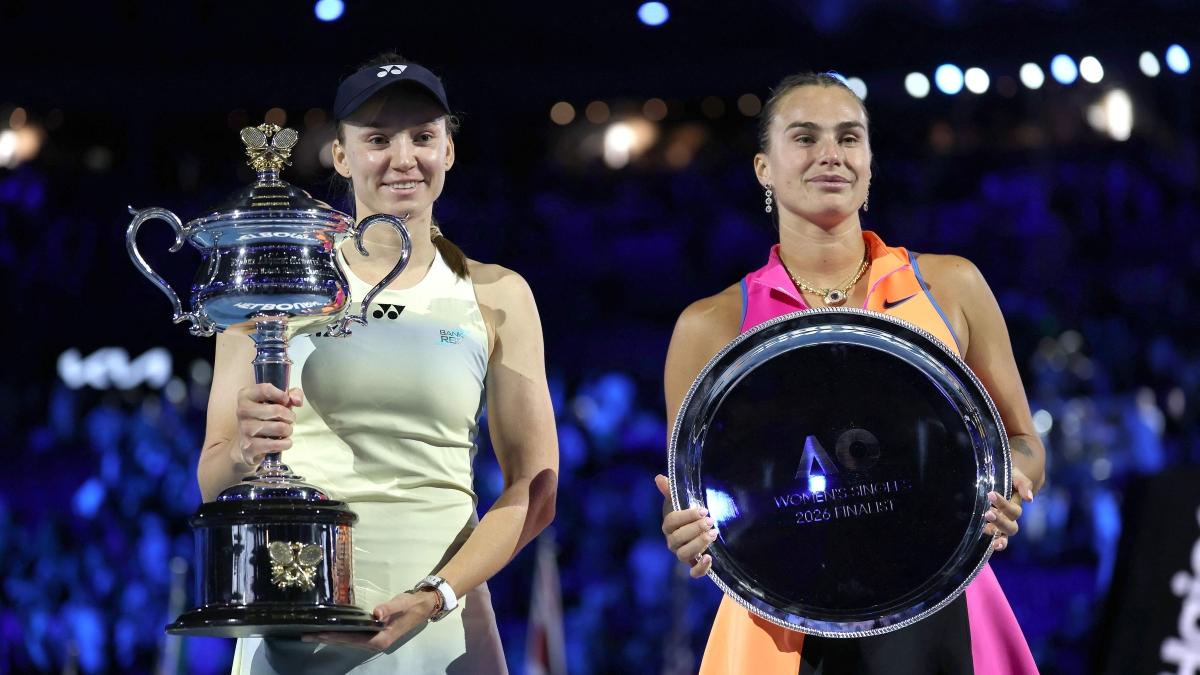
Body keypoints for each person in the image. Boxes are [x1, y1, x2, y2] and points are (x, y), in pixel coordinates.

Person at [654, 72, 1045, 674]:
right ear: (763, 168)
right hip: (783, 625)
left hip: (942, 606)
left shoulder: (951, 285)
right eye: (805, 138)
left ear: (869, 160)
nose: (830, 155)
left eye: (849, 137)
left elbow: (1023, 442)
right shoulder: (708, 327)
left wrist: (1003, 483)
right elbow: (697, 492)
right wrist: (684, 529)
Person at [198, 53, 559, 674]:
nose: (403, 158)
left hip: (442, 626)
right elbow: (212, 476)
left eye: (423, 137)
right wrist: (245, 452)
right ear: (341, 155)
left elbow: (536, 490)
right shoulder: (273, 285)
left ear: (449, 149)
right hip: (296, 620)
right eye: (377, 139)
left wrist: (434, 596)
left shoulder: (497, 294)